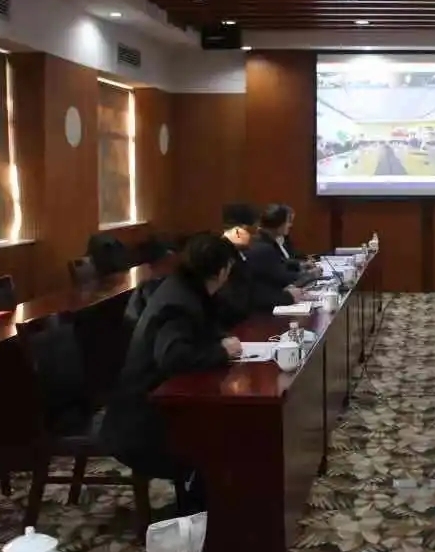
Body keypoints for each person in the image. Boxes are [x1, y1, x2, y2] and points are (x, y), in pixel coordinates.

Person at [99, 234, 244, 516]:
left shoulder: (187, 289)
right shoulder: (178, 303)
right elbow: (174, 357)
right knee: (226, 434)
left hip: (162, 404)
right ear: (222, 271)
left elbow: (203, 331)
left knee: (230, 425)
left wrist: (219, 340)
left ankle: (211, 505)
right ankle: (203, 512)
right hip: (144, 421)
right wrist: (220, 351)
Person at [216, 203, 303, 324]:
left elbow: (256, 286)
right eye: (256, 226)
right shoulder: (253, 250)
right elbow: (248, 296)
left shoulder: (233, 250)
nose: (258, 232)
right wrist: (287, 297)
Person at [247, 204, 319, 290]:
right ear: (279, 224)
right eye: (288, 221)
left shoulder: (265, 240)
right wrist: (310, 275)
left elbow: (281, 262)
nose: (290, 225)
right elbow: (282, 278)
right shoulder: (264, 247)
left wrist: (301, 265)